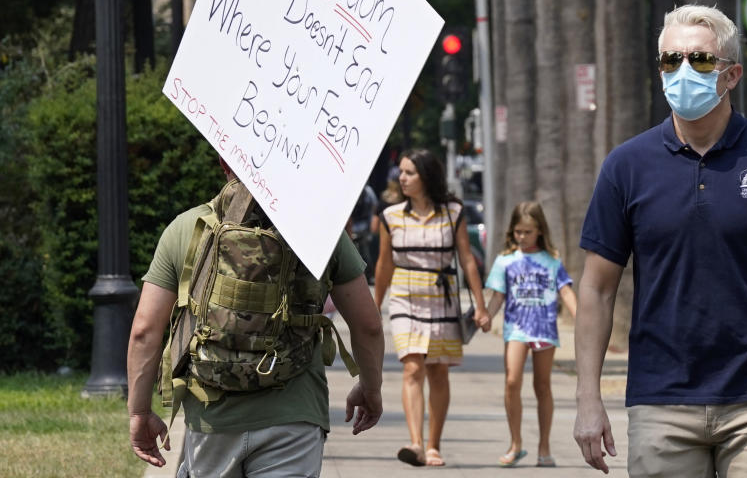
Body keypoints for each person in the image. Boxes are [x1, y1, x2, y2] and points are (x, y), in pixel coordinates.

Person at [574, 4, 747, 477]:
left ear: (732, 75)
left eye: (701, 61)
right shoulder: (626, 166)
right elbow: (597, 288)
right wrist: (588, 398)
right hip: (660, 400)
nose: (684, 71)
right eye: (671, 60)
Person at [127, 158, 385, 477]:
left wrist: (138, 411)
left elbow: (144, 330)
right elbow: (368, 325)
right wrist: (370, 388)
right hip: (294, 415)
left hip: (212, 419)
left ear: (224, 163)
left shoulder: (186, 227)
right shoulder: (319, 230)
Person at [373, 148, 491, 467]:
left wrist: (480, 306)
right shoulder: (390, 216)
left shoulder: (453, 212)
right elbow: (384, 265)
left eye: (409, 172)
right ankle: (415, 444)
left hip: (442, 297)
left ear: (426, 176)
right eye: (402, 172)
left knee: (438, 371)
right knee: (412, 366)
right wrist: (374, 307)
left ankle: (434, 444)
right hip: (405, 297)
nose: (402, 177)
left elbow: (467, 259)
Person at [485, 201, 577, 468]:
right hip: (516, 328)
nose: (522, 237)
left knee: (542, 385)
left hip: (544, 327)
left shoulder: (552, 261)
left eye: (527, 231)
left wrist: (582, 320)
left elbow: (566, 292)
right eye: (518, 232)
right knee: (512, 381)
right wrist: (486, 316)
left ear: (539, 230)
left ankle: (544, 447)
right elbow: (497, 296)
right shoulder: (505, 261)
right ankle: (516, 444)